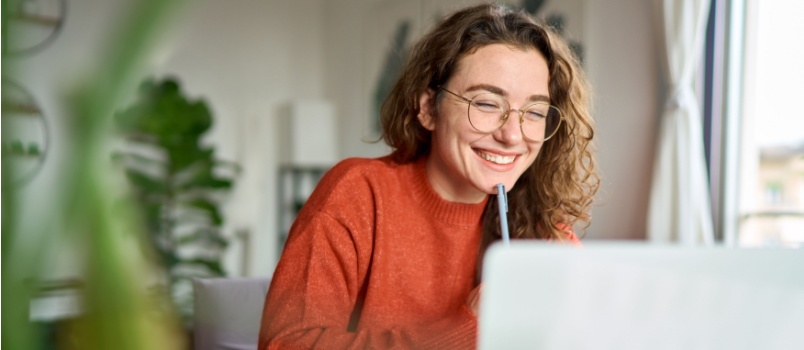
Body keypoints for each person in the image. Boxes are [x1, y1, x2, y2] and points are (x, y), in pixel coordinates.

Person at [259, 3, 598, 349]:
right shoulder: (357, 194)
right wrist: (468, 327)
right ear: (427, 108)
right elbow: (286, 344)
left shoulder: (543, 230)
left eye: (535, 112)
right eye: (485, 104)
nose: (512, 135)